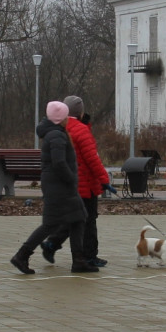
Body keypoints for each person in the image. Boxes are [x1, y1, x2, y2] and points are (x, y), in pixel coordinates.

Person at [12, 101, 93, 274]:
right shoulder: (56, 135)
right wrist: (71, 178)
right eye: (65, 116)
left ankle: (78, 260)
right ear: (60, 119)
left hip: (61, 186)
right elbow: (59, 162)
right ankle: (21, 255)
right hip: (59, 187)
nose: (67, 120)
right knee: (50, 225)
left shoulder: (55, 133)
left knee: (79, 218)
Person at [41, 95, 110, 268]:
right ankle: (89, 256)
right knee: (88, 220)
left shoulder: (58, 128)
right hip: (84, 185)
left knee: (73, 219)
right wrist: (104, 180)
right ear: (80, 112)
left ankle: (52, 244)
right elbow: (92, 159)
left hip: (66, 183)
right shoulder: (81, 130)